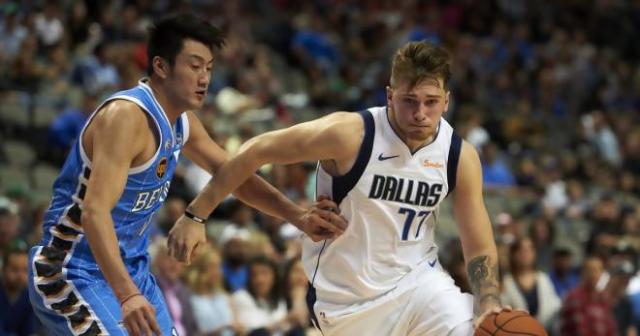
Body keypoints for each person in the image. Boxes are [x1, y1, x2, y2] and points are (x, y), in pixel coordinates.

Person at [27, 14, 346, 336]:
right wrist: (128, 295)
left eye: (209, 68)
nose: (204, 78)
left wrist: (297, 216)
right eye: (194, 66)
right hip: (72, 269)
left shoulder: (184, 122)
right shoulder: (126, 117)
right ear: (161, 67)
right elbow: (94, 212)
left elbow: (235, 175)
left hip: (131, 270)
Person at [170, 41, 505, 335]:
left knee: (487, 329)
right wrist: (196, 215)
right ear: (390, 95)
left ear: (447, 101)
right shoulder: (350, 135)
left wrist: (488, 299)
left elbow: (477, 242)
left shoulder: (459, 156)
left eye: (431, 102)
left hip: (422, 285)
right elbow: (255, 150)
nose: (420, 113)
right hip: (347, 301)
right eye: (409, 100)